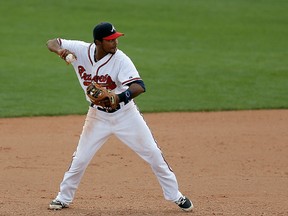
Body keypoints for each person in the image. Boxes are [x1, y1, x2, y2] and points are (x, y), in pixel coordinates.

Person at [46, 22, 193, 212]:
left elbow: (140, 86)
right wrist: (61, 51)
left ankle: (176, 195)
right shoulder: (81, 50)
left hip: (126, 115)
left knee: (153, 153)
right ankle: (63, 198)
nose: (115, 43)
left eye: (116, 39)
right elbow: (51, 42)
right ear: (98, 42)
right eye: (110, 40)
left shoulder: (121, 59)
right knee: (80, 159)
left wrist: (119, 97)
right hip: (97, 117)